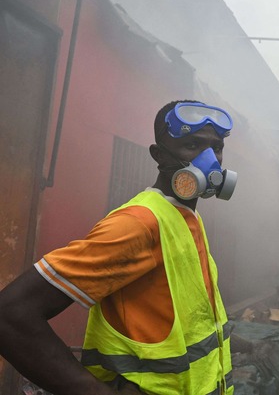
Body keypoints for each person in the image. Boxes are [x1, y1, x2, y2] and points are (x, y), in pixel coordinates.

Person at [0, 100, 238, 394]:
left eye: (215, 147)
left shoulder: (187, 217)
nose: (209, 159)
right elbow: (11, 314)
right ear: (159, 155)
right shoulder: (139, 224)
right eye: (192, 145)